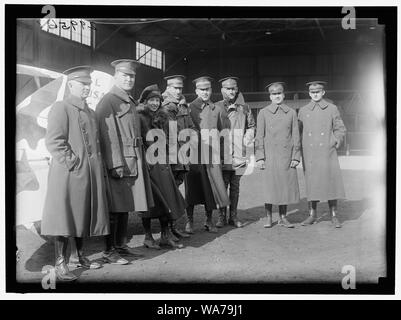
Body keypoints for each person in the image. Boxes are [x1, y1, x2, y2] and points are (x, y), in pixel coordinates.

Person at [41, 66, 109, 281]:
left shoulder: (89, 111)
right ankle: (60, 262)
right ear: (71, 85)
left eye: (88, 84)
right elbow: (54, 141)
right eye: (82, 84)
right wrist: (73, 163)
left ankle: (78, 256)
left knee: (82, 214)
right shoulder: (61, 107)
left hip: (87, 174)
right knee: (64, 218)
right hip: (68, 175)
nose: (87, 88)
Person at [96, 59, 154, 265]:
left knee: (125, 207)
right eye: (124, 75)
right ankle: (109, 250)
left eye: (132, 76)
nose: (129, 79)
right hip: (120, 163)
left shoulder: (127, 100)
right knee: (115, 209)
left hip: (133, 160)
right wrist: (115, 163)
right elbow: (107, 135)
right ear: (115, 77)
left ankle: (120, 246)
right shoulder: (109, 101)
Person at [138, 84, 187, 249]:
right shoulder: (139, 118)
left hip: (163, 164)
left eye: (157, 100)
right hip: (148, 165)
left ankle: (166, 235)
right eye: (151, 100)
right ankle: (148, 236)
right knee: (148, 203)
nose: (154, 103)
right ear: (145, 101)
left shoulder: (163, 117)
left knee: (167, 199)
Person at [298, 81, 346, 228]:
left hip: (327, 150)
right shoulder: (303, 110)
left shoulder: (332, 108)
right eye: (312, 92)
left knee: (332, 182)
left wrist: (337, 140)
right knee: (312, 183)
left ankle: (333, 215)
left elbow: (340, 127)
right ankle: (312, 215)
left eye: (318, 91)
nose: (315, 94)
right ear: (309, 93)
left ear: (323, 92)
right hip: (310, 152)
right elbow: (297, 131)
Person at [186, 76, 230, 233]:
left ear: (212, 90)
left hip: (212, 155)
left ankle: (209, 220)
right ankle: (189, 221)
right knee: (191, 189)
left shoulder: (217, 110)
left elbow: (223, 133)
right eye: (202, 90)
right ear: (196, 90)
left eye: (208, 89)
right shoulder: (189, 108)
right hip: (194, 155)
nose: (205, 92)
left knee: (210, 188)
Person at [255, 82, 301, 228]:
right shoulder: (263, 112)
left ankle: (283, 217)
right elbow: (259, 136)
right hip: (270, 156)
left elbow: (296, 136)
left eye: (279, 94)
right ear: (270, 96)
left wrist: (295, 157)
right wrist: (260, 157)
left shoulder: (292, 112)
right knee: (270, 187)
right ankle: (268, 217)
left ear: (283, 95)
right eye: (274, 94)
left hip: (286, 156)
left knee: (285, 187)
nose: (277, 96)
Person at [215, 76, 255, 228]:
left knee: (235, 186)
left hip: (238, 152)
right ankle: (221, 217)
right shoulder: (217, 107)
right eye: (228, 89)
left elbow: (251, 125)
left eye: (234, 88)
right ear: (222, 90)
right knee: (222, 185)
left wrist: (248, 137)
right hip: (222, 152)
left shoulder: (244, 107)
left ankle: (233, 216)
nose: (231, 91)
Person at [161, 75, 195, 239]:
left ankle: (173, 227)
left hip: (182, 156)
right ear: (168, 88)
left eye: (180, 88)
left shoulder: (183, 105)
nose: (178, 91)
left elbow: (191, 126)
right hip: (168, 157)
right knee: (168, 193)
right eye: (175, 88)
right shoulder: (161, 105)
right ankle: (166, 231)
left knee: (175, 191)